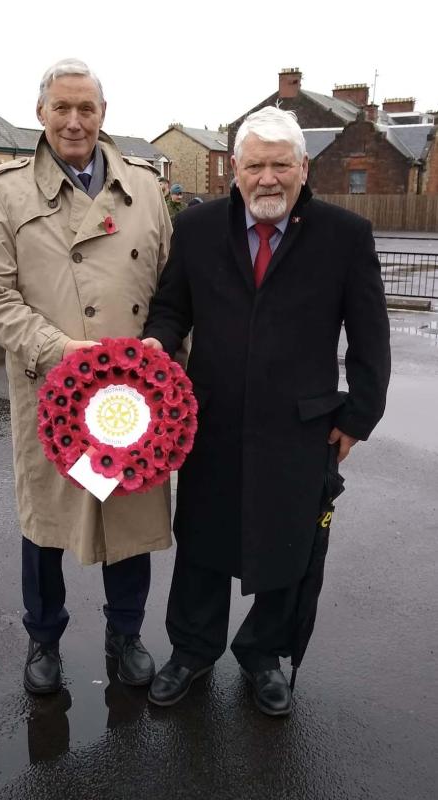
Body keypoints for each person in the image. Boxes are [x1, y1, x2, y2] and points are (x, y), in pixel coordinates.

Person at [142, 106, 390, 715]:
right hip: (209, 421)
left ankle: (262, 654)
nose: (268, 178)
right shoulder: (197, 228)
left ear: (304, 169)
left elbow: (370, 335)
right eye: (255, 165)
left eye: (282, 165)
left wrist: (357, 418)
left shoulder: (344, 236)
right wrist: (157, 343)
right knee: (202, 542)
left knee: (286, 546)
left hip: (300, 426)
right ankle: (193, 650)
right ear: (236, 170)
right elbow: (172, 308)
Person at [0, 58, 173, 696]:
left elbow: (172, 289)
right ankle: (43, 640)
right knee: (46, 528)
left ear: (104, 115)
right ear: (41, 114)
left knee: (129, 517)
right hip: (52, 392)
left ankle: (127, 633)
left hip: (132, 396)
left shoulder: (146, 188)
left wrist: (163, 359)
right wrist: (61, 351)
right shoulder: (4, 193)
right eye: (62, 108)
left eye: (87, 108)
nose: (75, 121)